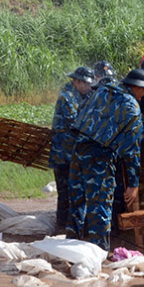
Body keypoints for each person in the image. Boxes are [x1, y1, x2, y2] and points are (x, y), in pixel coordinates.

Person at [69, 69, 144, 250]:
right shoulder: (132, 108)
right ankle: (99, 253)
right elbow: (132, 150)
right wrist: (133, 184)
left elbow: (81, 111)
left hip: (79, 149)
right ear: (137, 87)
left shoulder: (105, 89)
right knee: (99, 207)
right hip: (100, 156)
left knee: (77, 203)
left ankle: (70, 247)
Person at [49, 67, 95, 229]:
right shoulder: (67, 97)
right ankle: (61, 226)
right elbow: (77, 122)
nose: (90, 87)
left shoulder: (85, 94)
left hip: (76, 154)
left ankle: (75, 226)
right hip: (63, 155)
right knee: (65, 193)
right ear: (78, 82)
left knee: (78, 192)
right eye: (87, 84)